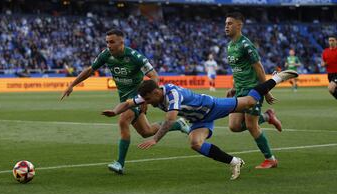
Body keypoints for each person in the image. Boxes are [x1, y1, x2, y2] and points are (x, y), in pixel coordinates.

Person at [102, 70, 298, 180]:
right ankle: (235, 162)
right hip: (198, 120)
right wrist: (115, 111)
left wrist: (155, 138)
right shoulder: (149, 94)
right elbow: (128, 102)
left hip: (211, 107)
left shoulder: (172, 94)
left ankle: (277, 78)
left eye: (147, 99)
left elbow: (171, 119)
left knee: (249, 102)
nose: (146, 102)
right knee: (195, 143)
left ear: (156, 93)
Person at [61, 29, 190, 174]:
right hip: (124, 98)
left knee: (123, 120)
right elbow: (91, 69)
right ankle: (178, 124)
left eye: (112, 42)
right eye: (107, 42)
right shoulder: (105, 55)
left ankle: (120, 163)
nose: (109, 45)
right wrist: (72, 84)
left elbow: (154, 77)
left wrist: (145, 100)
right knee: (146, 132)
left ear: (121, 42)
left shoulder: (135, 57)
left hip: (136, 97)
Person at [225, 12, 280, 169]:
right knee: (234, 126)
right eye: (226, 23)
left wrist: (266, 91)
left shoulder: (246, 45)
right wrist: (234, 88)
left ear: (239, 25)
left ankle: (270, 159)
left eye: (229, 23)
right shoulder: (230, 46)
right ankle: (267, 117)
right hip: (240, 90)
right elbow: (238, 69)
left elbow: (259, 69)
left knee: (251, 125)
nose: (226, 26)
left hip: (253, 89)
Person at [321, 35, 337, 99]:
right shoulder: (325, 52)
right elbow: (323, 62)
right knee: (332, 90)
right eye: (330, 40)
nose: (331, 42)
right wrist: (323, 64)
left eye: (333, 40)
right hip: (330, 74)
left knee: (331, 88)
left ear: (336, 41)